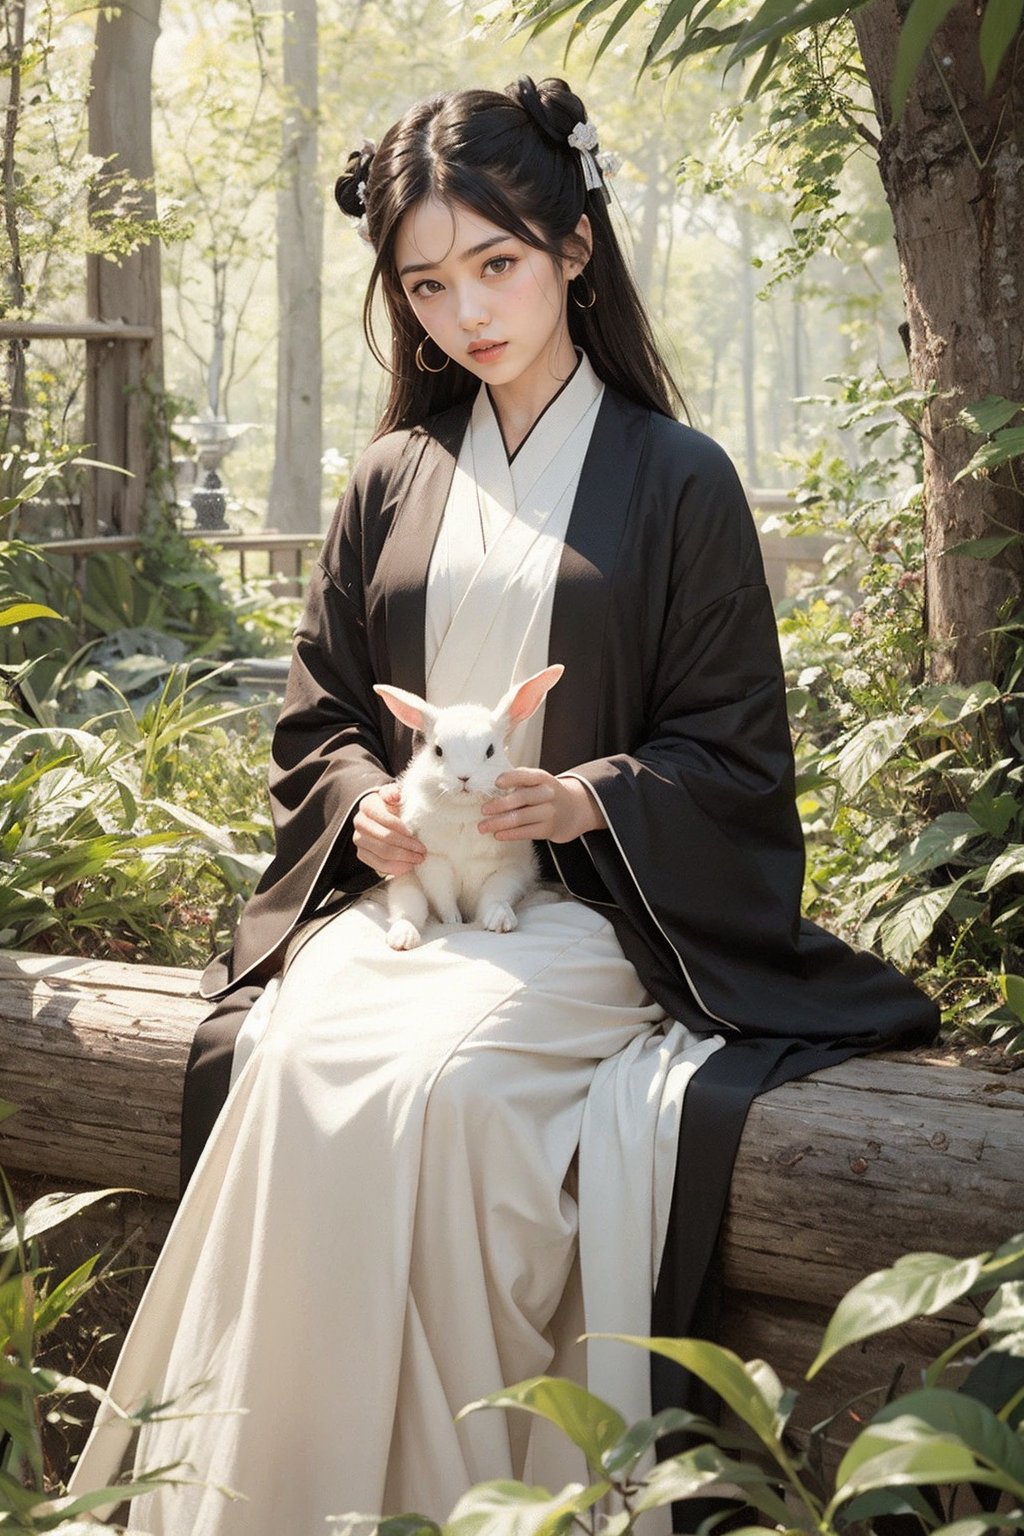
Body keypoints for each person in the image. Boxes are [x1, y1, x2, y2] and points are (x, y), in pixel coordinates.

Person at [67, 76, 938, 1535]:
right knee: (297, 1064)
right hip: (414, 907)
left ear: (575, 252)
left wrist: (588, 797)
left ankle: (463, 1495)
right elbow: (322, 720)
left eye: (498, 264)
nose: (465, 312)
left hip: (589, 923)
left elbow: (736, 753)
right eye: (426, 284)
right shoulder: (392, 479)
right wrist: (366, 815)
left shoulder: (680, 480)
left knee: (453, 1096)